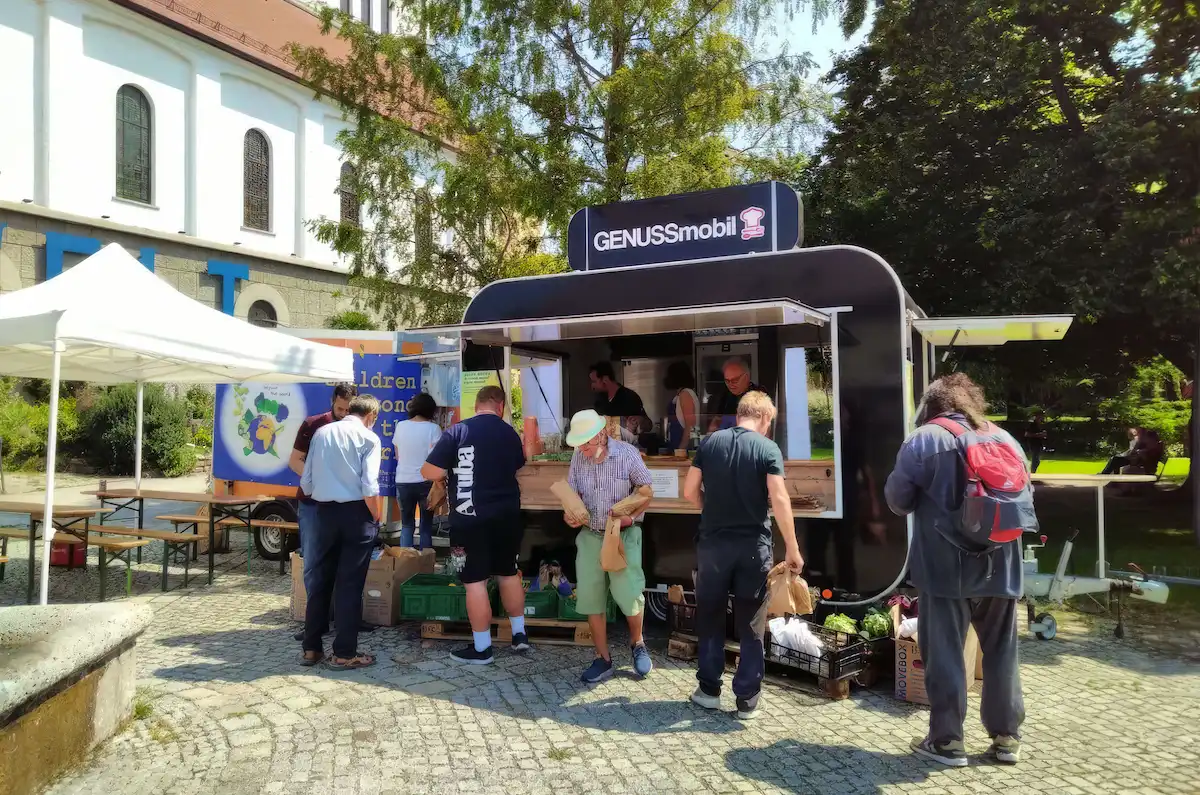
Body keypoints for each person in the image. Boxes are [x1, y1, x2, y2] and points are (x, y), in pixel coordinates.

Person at [884, 373, 1027, 767]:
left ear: (931, 405)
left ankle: (947, 742)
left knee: (945, 652)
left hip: (946, 566)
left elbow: (898, 501)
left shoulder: (924, 438)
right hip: (1003, 562)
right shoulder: (1004, 439)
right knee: (1001, 652)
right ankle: (1006, 739)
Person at [683, 391, 804, 719]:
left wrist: (708, 511)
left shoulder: (709, 443)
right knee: (751, 621)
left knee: (709, 616)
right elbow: (779, 499)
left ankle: (708, 691)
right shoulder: (768, 448)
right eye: (770, 422)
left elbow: (688, 490)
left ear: (741, 414)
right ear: (764, 417)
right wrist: (792, 548)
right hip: (753, 547)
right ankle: (747, 699)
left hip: (713, 546)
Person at [422, 385, 529, 664]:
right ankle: (519, 635)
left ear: (476, 405)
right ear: (500, 407)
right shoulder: (510, 433)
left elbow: (430, 470)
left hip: (469, 518)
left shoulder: (458, 431)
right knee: (508, 572)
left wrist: (447, 471)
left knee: (475, 582)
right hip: (508, 515)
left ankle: (482, 648)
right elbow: (519, 464)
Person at [562, 409, 656, 683]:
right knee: (591, 598)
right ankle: (602, 659)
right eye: (579, 444)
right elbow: (573, 494)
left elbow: (646, 490)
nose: (583, 449)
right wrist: (569, 514)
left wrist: (630, 517)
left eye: (587, 443)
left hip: (623, 535)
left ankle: (638, 644)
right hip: (590, 535)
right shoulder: (579, 458)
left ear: (601, 434)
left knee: (629, 593)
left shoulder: (627, 454)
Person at [298, 393, 385, 670]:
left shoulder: (322, 433)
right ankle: (344, 653)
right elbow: (370, 485)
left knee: (320, 582)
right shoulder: (369, 439)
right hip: (356, 514)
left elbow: (307, 482)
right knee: (349, 585)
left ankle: (311, 649)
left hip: (323, 512)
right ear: (370, 416)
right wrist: (377, 516)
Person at [288, 383, 362, 642]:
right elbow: (295, 459)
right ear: (332, 402)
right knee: (313, 564)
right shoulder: (314, 424)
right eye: (339, 408)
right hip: (312, 503)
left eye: (347, 409)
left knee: (345, 564)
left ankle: (344, 619)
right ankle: (316, 624)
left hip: (344, 504)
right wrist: (314, 480)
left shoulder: (359, 427)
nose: (343, 413)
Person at [392, 392, 442, 549]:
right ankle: (424, 564)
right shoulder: (434, 429)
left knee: (407, 525)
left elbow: (398, 455)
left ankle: (405, 562)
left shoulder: (401, 426)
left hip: (403, 481)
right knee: (426, 526)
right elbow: (437, 458)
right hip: (425, 482)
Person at [706, 358, 767, 432]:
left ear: (746, 377)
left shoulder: (759, 394)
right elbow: (714, 424)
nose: (730, 384)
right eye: (727, 381)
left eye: (735, 380)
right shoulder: (723, 396)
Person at [664, 360, 700, 450]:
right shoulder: (680, 394)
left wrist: (681, 449)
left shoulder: (685, 394)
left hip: (685, 448)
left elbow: (690, 425)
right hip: (676, 444)